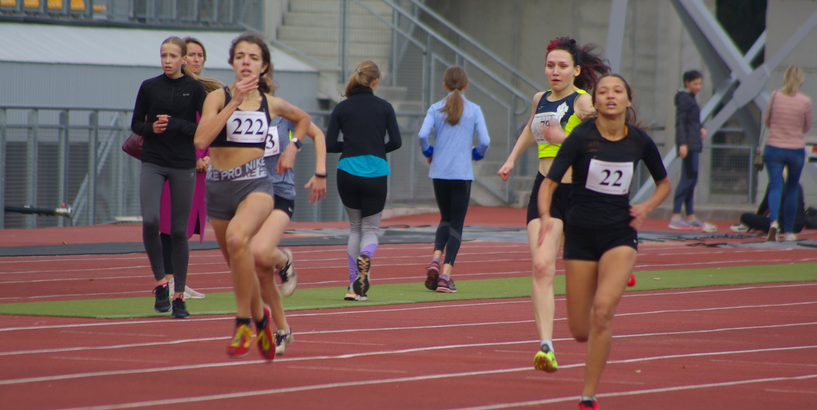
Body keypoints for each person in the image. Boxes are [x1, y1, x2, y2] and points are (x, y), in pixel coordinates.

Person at [537, 74, 671, 410]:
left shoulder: (639, 141)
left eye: (618, 91)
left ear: (628, 100)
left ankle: (587, 396)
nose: (610, 96)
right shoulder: (580, 137)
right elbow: (549, 183)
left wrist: (646, 206)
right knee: (580, 330)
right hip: (581, 234)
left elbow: (664, 184)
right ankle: (603, 279)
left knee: (602, 315)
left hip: (619, 235)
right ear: (595, 102)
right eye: (603, 92)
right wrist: (543, 217)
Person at [194, 32, 311, 359]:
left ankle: (243, 322)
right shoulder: (217, 98)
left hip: (255, 186)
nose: (246, 61)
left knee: (237, 238)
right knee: (244, 268)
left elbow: (303, 120)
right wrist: (233, 102)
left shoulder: (269, 103)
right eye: (241, 56)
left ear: (263, 67)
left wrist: (293, 146)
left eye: (254, 57)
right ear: (232, 63)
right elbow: (200, 139)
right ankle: (262, 318)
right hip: (218, 188)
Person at [497, 36, 609, 373]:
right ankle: (546, 345)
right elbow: (531, 131)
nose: (555, 72)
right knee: (542, 266)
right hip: (544, 192)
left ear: (576, 70)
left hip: (579, 194)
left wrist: (564, 138)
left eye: (562, 66)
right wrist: (511, 159)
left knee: (584, 267)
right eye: (550, 66)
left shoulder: (584, 102)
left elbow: (602, 138)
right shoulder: (539, 98)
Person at [131, 36, 207, 319]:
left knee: (178, 231)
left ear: (184, 59)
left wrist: (175, 125)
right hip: (153, 161)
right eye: (163, 55)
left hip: (182, 163)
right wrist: (153, 128)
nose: (167, 60)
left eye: (173, 56)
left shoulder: (195, 88)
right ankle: (161, 282)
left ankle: (179, 297)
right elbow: (136, 124)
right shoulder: (149, 87)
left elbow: (203, 128)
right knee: (150, 220)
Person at [325, 60, 402, 301]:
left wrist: (349, 146)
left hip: (347, 171)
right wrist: (378, 148)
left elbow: (329, 145)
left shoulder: (342, 107)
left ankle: (352, 285)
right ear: (375, 81)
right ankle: (366, 255)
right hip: (376, 173)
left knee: (355, 228)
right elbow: (396, 142)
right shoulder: (385, 107)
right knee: (370, 229)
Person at [253, 111, 327, 355]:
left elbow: (318, 136)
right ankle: (283, 329)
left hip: (280, 193)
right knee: (262, 270)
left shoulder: (284, 114)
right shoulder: (239, 111)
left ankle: (284, 259)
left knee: (261, 252)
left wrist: (320, 173)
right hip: (251, 193)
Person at [418, 66, 490, 293]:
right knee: (457, 223)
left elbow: (422, 135)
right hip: (461, 173)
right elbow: (485, 141)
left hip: (439, 172)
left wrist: (430, 152)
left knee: (445, 219)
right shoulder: (474, 109)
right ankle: (445, 276)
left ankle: (435, 259)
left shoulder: (435, 108)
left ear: (444, 85)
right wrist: (476, 154)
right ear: (466, 86)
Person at [161, 37, 222, 300]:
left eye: (201, 55)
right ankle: (169, 281)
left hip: (199, 169)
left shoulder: (206, 92)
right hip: (175, 163)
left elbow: (209, 128)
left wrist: (209, 156)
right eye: (192, 55)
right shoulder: (174, 89)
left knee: (184, 225)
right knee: (169, 224)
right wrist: (193, 156)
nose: (196, 60)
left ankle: (179, 282)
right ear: (182, 58)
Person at [763, 65, 812, 242]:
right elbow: (806, 126)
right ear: (800, 81)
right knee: (791, 187)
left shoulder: (775, 96)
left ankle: (774, 222)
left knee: (776, 185)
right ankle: (789, 230)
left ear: (784, 78)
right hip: (795, 149)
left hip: (774, 146)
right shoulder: (805, 101)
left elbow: (767, 120)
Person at [669, 70, 708, 230]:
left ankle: (690, 215)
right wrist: (682, 143)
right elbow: (680, 122)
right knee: (687, 178)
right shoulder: (684, 99)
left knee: (692, 179)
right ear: (687, 83)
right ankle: (676, 216)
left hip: (694, 141)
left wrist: (701, 127)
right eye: (695, 84)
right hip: (689, 143)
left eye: (699, 84)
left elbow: (693, 121)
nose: (698, 87)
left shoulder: (690, 98)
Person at [731, 183, 806, 236]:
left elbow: (764, 208)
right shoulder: (797, 184)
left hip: (782, 225)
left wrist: (753, 223)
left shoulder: (774, 185)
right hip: (798, 226)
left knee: (745, 217)